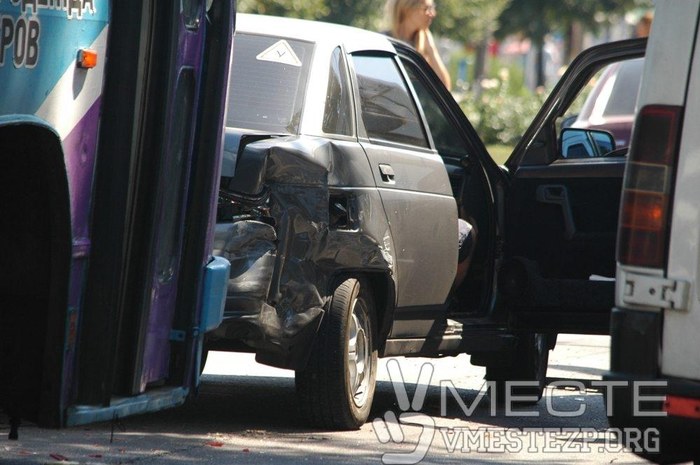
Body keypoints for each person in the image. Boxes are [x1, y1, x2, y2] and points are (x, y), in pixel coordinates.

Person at [385, 0, 452, 90]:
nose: (433, 14)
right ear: (408, 9)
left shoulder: (425, 42)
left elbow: (445, 89)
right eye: (426, 9)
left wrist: (432, 51)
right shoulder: (384, 41)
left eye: (432, 8)